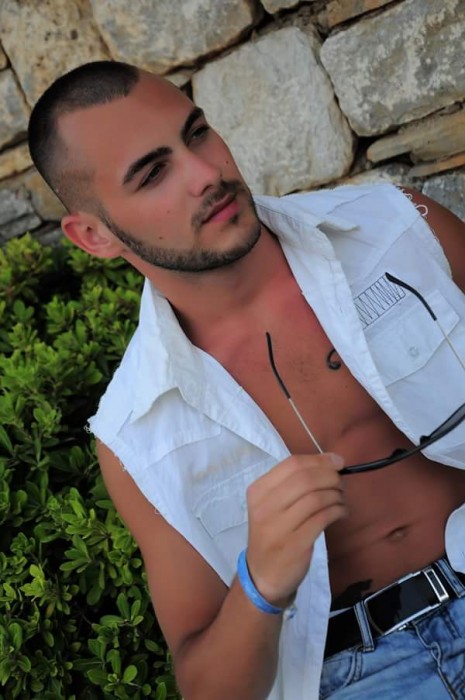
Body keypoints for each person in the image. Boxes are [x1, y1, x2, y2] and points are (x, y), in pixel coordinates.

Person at [28, 60, 465, 700]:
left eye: (197, 133)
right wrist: (260, 583)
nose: (206, 174)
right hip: (361, 672)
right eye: (153, 173)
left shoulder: (396, 227)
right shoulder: (139, 435)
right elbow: (209, 687)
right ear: (93, 235)